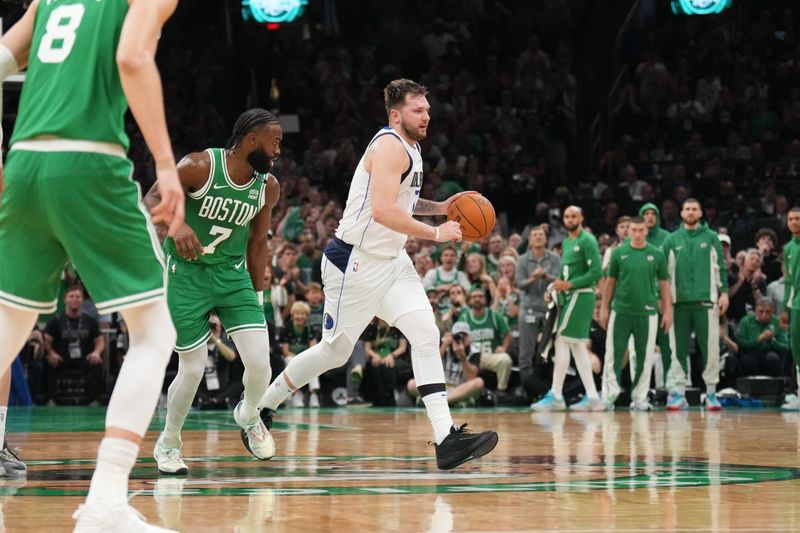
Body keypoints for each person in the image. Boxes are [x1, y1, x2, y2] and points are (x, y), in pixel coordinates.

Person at [0, 0, 184, 530]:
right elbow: (131, 57)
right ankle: (106, 499)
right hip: (88, 161)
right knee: (153, 332)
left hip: (26, 161)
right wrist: (167, 165)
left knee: (9, 326)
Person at [254, 79, 497, 470]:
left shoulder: (411, 148)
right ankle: (263, 406)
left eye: (428, 110)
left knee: (425, 333)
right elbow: (384, 211)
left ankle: (445, 437)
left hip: (392, 260)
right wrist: (437, 233)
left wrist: (442, 208)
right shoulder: (387, 146)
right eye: (419, 111)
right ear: (396, 114)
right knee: (333, 351)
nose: (427, 117)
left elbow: (405, 200)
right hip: (355, 261)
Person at [144, 108, 281, 474]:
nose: (278, 151)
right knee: (192, 368)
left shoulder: (267, 187)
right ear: (252, 140)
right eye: (275, 142)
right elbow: (153, 199)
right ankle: (169, 441)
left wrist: (256, 295)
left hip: (233, 275)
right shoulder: (199, 166)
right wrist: (177, 226)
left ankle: (249, 415)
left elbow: (257, 243)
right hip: (186, 274)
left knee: (260, 363)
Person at [532, 206, 604, 411]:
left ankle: (556, 394)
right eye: (566, 216)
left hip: (582, 296)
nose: (570, 219)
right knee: (577, 346)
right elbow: (565, 275)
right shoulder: (566, 242)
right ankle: (592, 397)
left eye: (573, 216)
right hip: (570, 296)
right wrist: (553, 288)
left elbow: (596, 272)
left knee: (562, 339)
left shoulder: (587, 240)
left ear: (581, 218)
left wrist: (569, 285)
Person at [662, 199, 729, 410]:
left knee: (710, 349)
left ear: (700, 213)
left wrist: (724, 292)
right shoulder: (671, 240)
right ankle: (678, 393)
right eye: (687, 209)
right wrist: (663, 302)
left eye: (694, 209)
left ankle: (711, 393)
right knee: (677, 350)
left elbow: (721, 266)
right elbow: (663, 274)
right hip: (678, 303)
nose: (690, 212)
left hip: (706, 302)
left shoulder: (711, 238)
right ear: (681, 213)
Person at [599, 217, 672, 411]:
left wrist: (668, 311)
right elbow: (610, 283)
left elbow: (664, 285)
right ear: (628, 232)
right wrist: (604, 308)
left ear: (646, 231)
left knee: (644, 357)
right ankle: (609, 396)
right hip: (621, 311)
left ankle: (639, 398)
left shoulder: (657, 254)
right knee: (613, 355)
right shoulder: (618, 253)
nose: (637, 234)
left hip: (647, 313)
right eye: (634, 230)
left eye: (641, 230)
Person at [515, 226, 560, 400]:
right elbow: (519, 284)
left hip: (549, 309)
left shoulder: (555, 258)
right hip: (528, 308)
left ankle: (545, 392)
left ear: (546, 239)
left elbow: (559, 280)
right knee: (525, 354)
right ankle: (527, 392)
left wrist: (545, 276)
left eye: (541, 235)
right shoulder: (522, 259)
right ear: (530, 240)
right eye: (535, 235)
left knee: (547, 353)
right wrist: (534, 277)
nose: (538, 237)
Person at [43, 284, 106, 405]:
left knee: (96, 364)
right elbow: (47, 339)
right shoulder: (55, 320)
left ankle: (93, 400)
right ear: (65, 299)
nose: (74, 299)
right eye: (71, 296)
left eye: (78, 296)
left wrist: (96, 352)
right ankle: (51, 399)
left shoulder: (90, 321)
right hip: (62, 358)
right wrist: (51, 353)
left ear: (82, 300)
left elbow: (100, 340)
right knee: (49, 363)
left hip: (84, 358)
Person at [408, 322, 484, 405]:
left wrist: (462, 357)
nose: (460, 339)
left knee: (479, 382)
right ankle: (450, 401)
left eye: (464, 336)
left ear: (468, 338)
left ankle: (442, 401)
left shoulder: (474, 352)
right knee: (411, 384)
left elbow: (471, 378)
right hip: (439, 388)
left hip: (459, 389)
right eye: (457, 336)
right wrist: (444, 345)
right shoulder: (443, 345)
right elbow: (430, 368)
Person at [640, 202, 673, 385]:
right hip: (640, 299)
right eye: (646, 213)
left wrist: (665, 300)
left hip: (662, 300)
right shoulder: (634, 239)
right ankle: (638, 390)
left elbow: (673, 271)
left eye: (653, 213)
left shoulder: (667, 238)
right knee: (640, 347)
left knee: (667, 345)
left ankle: (670, 387)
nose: (650, 216)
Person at [736, 299, 787, 378]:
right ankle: (752, 386)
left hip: (771, 353)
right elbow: (740, 342)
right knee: (747, 360)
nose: (764, 314)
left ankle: (775, 386)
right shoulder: (746, 321)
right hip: (751, 353)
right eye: (761, 311)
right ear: (755, 311)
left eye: (767, 312)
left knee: (772, 358)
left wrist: (772, 341)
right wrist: (757, 341)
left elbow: (785, 346)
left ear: (773, 311)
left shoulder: (778, 322)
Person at [780, 207, 800, 410]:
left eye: (797, 219)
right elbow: (788, 282)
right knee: (797, 350)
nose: (794, 222)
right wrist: (785, 307)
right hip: (795, 305)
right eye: (791, 219)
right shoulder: (787, 249)